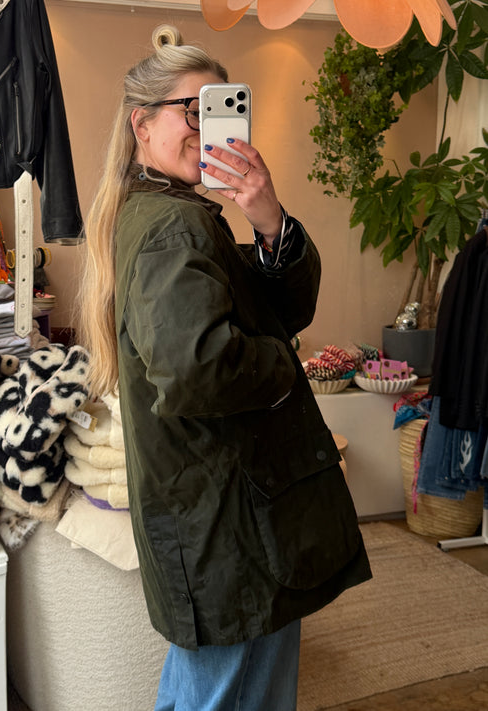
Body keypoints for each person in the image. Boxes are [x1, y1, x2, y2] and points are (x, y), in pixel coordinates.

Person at [78, 24, 371, 711]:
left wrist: (269, 222)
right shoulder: (171, 225)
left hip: (220, 509)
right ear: (141, 124)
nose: (206, 128)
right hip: (228, 518)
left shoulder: (167, 213)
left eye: (218, 111)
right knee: (226, 694)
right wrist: (283, 360)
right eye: (193, 110)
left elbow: (278, 307)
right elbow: (198, 368)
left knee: (220, 690)